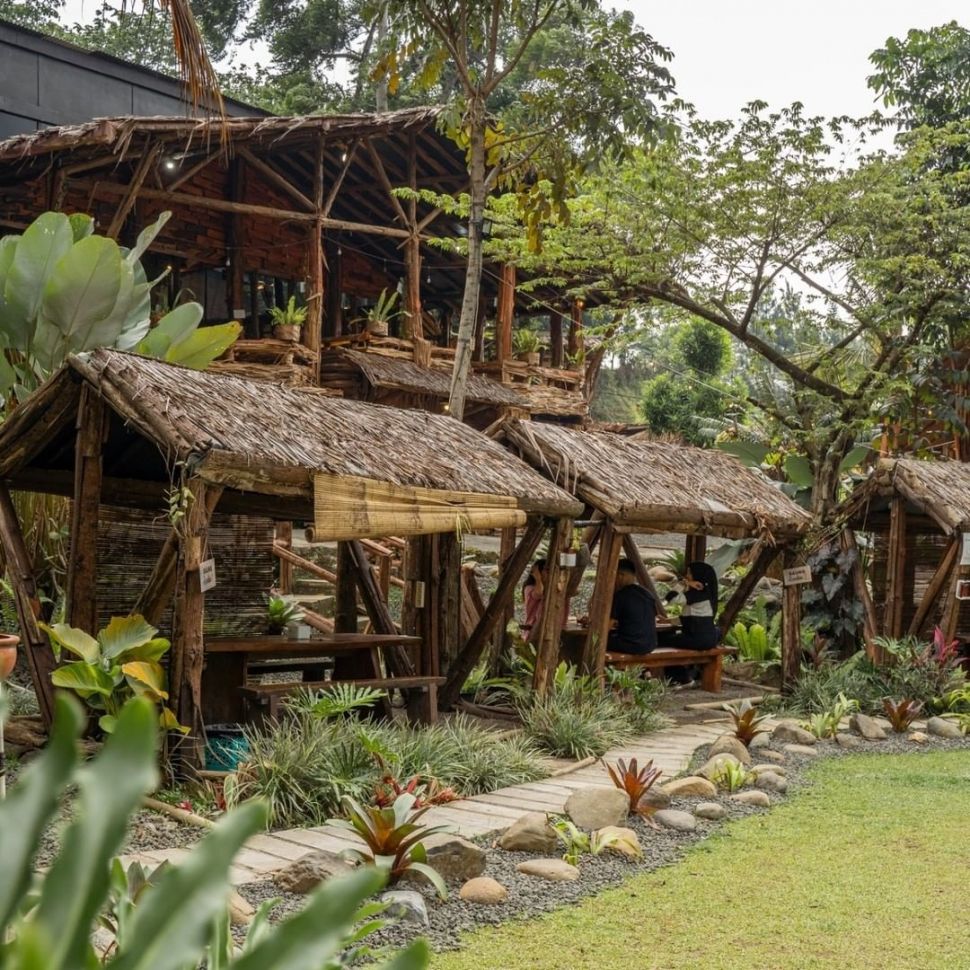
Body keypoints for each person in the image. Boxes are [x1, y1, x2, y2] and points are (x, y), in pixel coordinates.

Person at [607, 557, 657, 655]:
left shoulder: (621, 595)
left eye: (614, 575)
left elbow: (607, 625)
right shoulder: (648, 594)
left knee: (593, 641)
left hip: (631, 645)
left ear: (621, 575)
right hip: (650, 645)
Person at [521, 558, 546, 643]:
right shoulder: (529, 588)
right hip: (533, 630)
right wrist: (538, 578)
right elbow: (539, 594)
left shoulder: (547, 589)